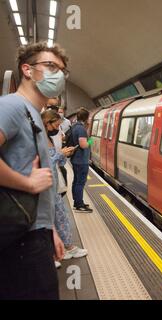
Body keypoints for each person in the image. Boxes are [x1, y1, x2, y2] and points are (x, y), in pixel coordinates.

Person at [0, 41, 67, 299]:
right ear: (27, 70)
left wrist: (49, 228)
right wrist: (26, 183)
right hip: (20, 242)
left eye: (61, 70)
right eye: (50, 66)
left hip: (33, 234)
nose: (58, 74)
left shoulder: (33, 114)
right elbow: (31, 181)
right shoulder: (13, 106)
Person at [41, 110, 88, 264]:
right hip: (45, 184)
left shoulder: (48, 137)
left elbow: (57, 161)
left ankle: (65, 247)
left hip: (53, 183)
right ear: (47, 123)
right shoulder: (39, 139)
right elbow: (43, 162)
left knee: (60, 216)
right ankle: (58, 250)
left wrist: (63, 154)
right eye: (56, 124)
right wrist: (60, 154)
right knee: (53, 218)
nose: (57, 128)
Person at [71, 107, 93, 213]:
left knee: (76, 181)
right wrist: (91, 141)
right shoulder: (81, 129)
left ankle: (77, 202)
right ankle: (79, 204)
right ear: (86, 118)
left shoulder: (76, 126)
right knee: (80, 182)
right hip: (81, 160)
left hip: (76, 159)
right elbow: (83, 145)